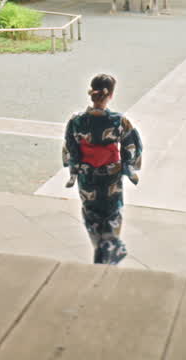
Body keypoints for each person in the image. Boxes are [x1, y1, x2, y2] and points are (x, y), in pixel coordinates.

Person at [62, 73, 143, 265]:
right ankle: (110, 249)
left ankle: (99, 246)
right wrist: (128, 166)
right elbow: (132, 145)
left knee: (91, 210)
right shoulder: (118, 120)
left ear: (91, 93)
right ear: (111, 95)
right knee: (112, 211)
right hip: (111, 173)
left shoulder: (76, 120)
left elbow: (71, 147)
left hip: (86, 173)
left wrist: (74, 168)